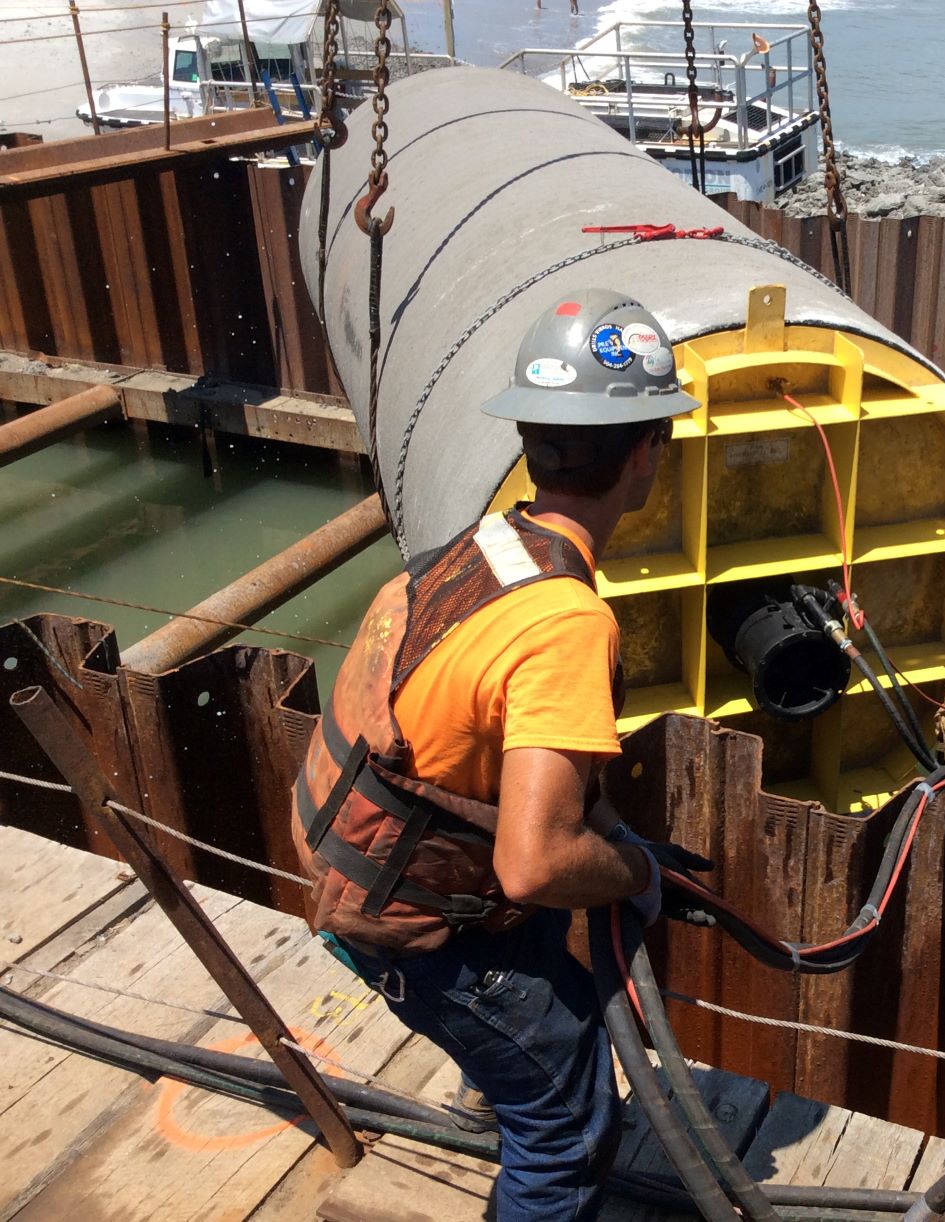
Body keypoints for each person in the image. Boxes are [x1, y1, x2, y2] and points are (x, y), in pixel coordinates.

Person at [288, 290, 709, 1221]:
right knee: (571, 1131)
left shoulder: (477, 548)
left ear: (532, 435)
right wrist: (634, 866)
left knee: (559, 1002)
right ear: (647, 452)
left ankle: (502, 1077)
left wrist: (617, 844)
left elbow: (484, 761)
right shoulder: (567, 623)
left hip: (354, 855)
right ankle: (524, 1111)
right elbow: (535, 863)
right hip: (406, 918)